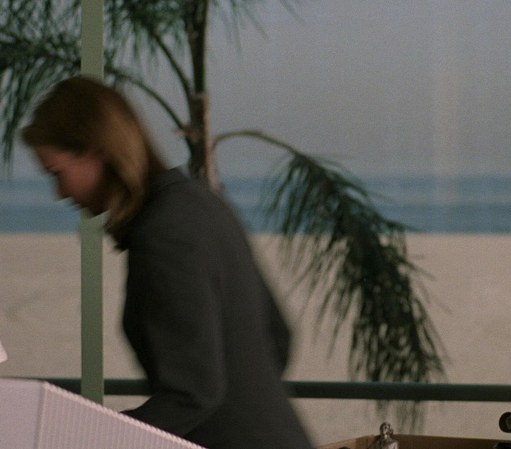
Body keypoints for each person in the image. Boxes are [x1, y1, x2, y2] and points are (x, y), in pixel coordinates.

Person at [21, 76, 313, 449]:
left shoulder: (163, 233)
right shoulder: (200, 203)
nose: (59, 193)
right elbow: (278, 339)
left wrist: (94, 438)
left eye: (58, 174)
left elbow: (191, 394)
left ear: (96, 151)